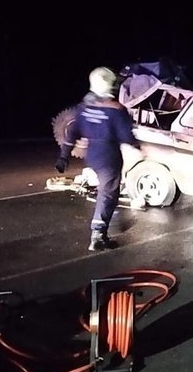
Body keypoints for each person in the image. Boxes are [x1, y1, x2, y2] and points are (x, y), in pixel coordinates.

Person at [55, 66, 140, 251]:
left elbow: (72, 133)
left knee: (105, 192)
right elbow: (126, 136)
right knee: (108, 194)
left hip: (92, 155)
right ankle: (98, 235)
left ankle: (103, 226)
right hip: (109, 156)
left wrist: (64, 156)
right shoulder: (116, 109)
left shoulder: (83, 108)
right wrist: (138, 146)